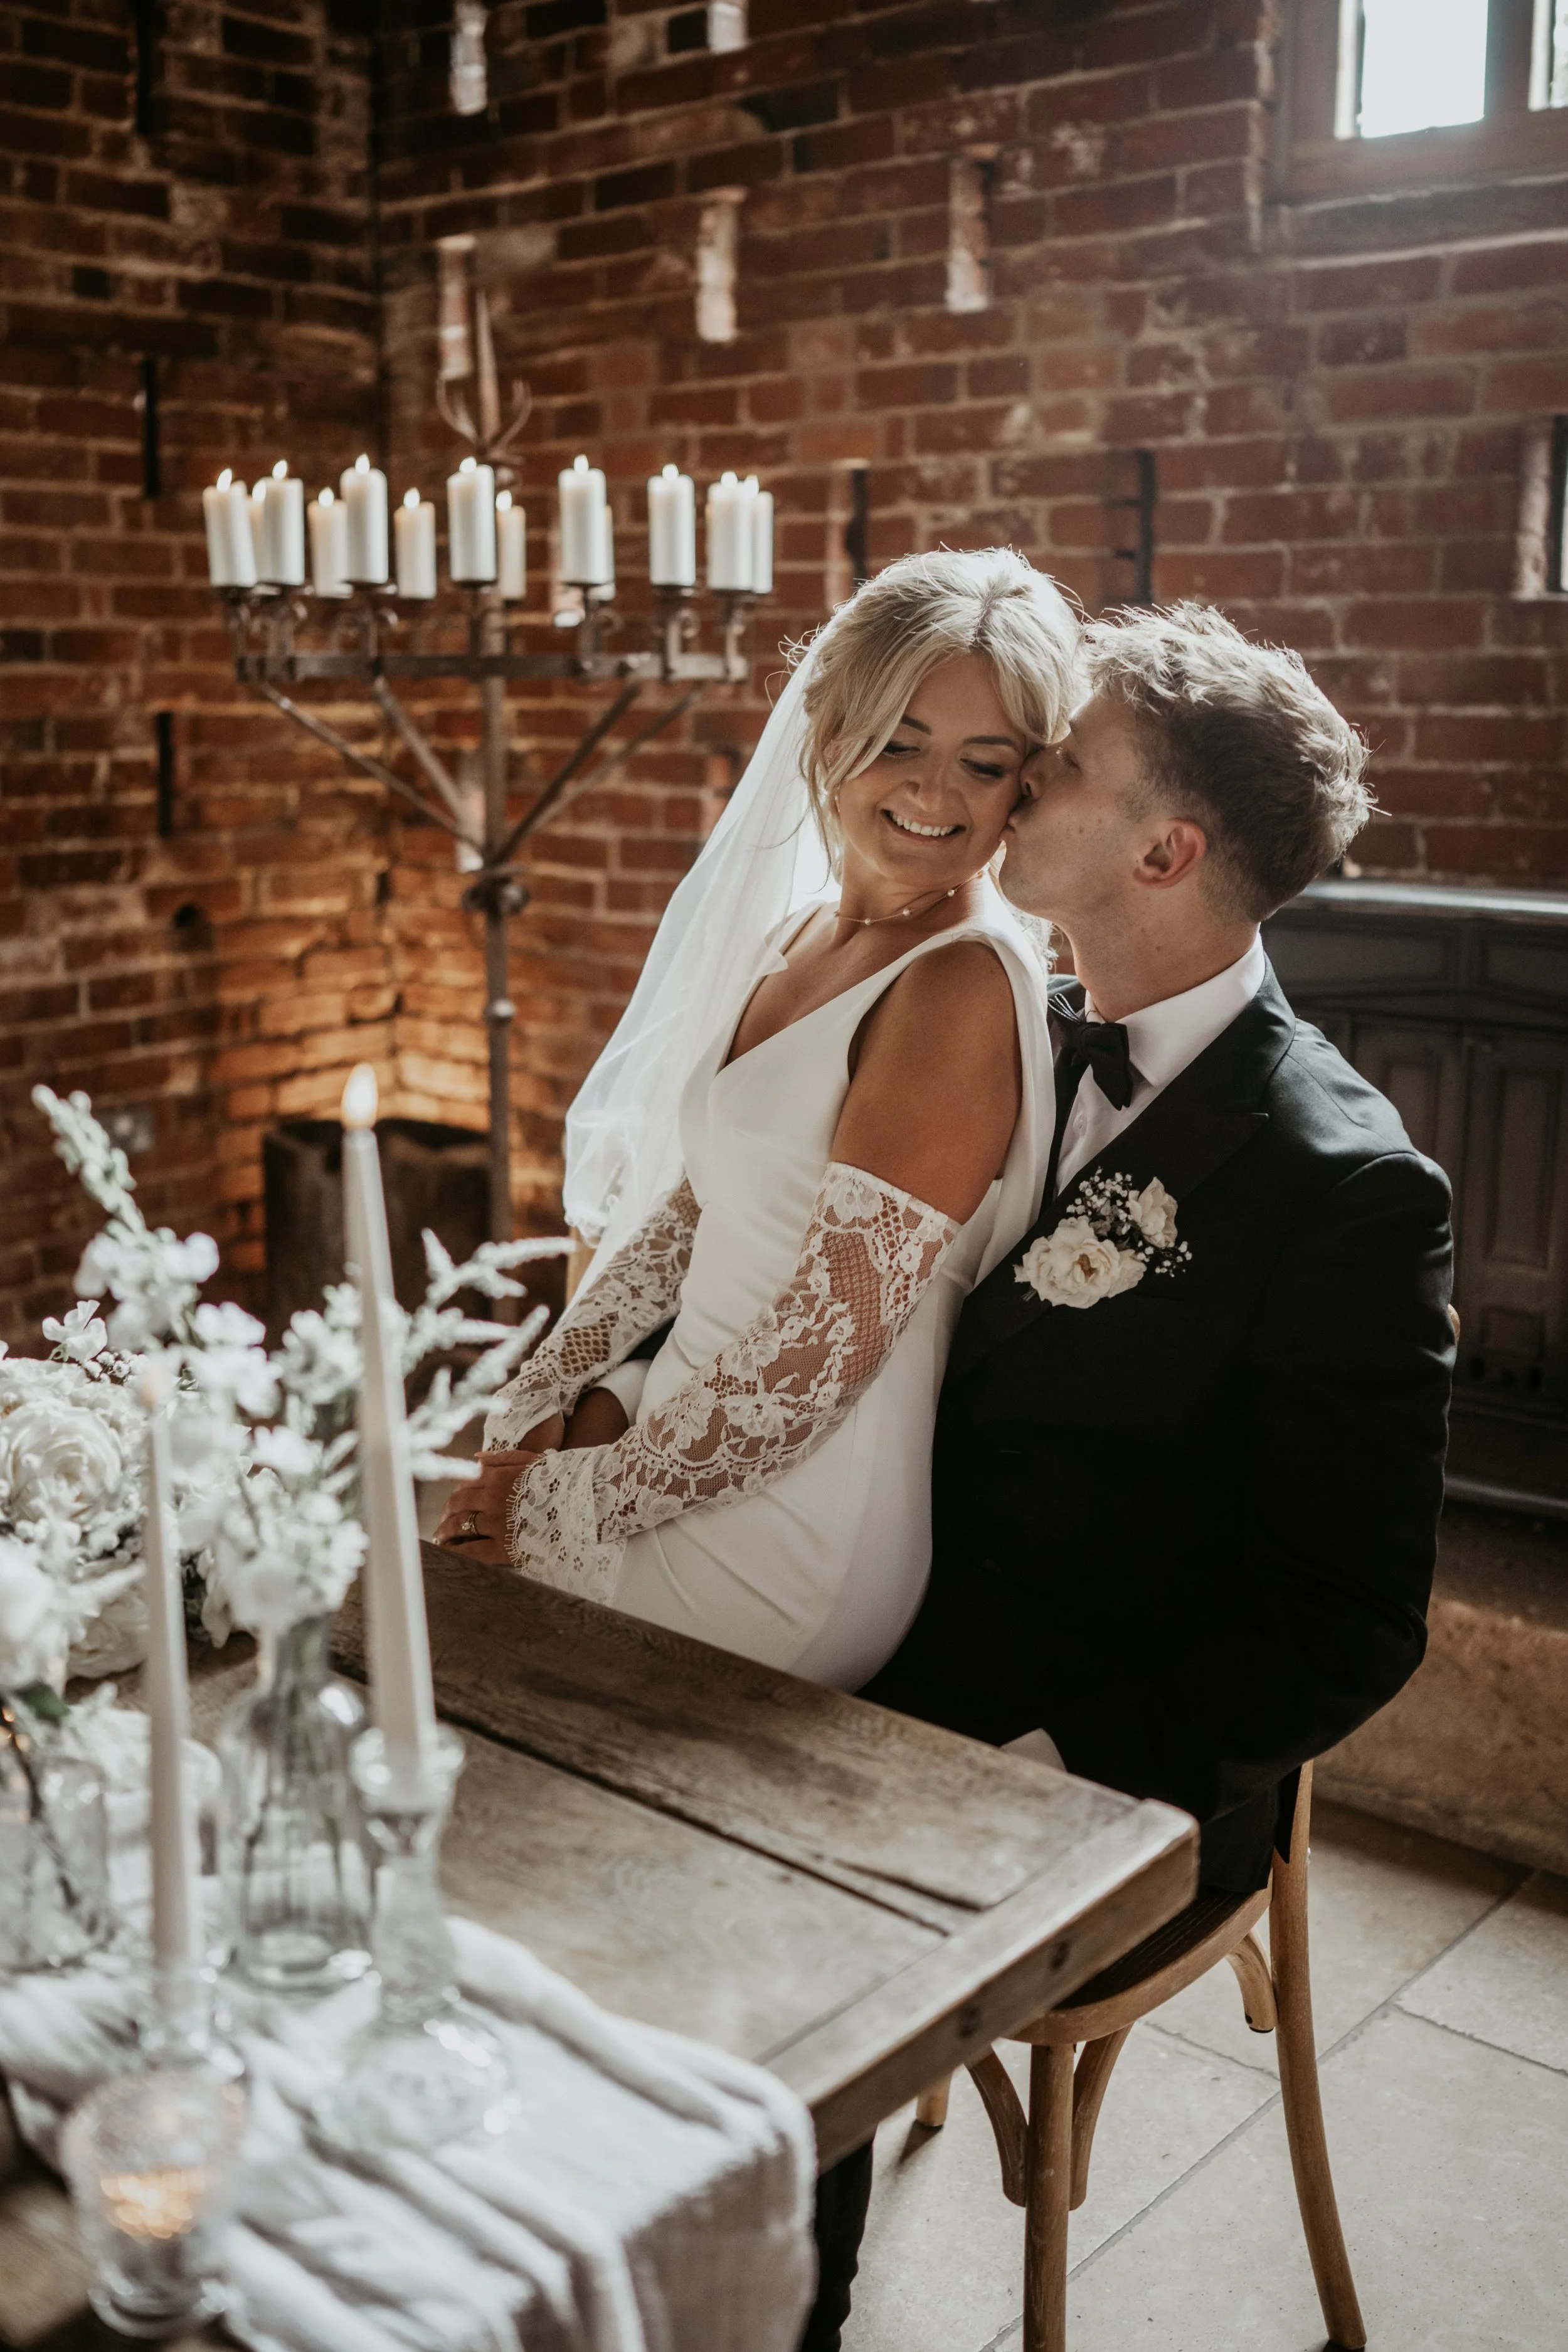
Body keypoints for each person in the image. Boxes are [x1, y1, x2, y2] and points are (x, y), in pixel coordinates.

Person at [867, 600, 1456, 1897]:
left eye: (1062, 761)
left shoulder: (1344, 1190)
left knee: (745, 1955)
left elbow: (1344, 1617)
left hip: (1076, 1745)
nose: (1018, 776)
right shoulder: (988, 1020)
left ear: (1162, 853)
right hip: (861, 1617)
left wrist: (1052, 1766)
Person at [437, 548, 1081, 1703]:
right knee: (430, 1613)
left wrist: (561, 1498)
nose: (935, 797)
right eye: (899, 742)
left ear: (1023, 785)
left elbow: (817, 1363)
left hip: (798, 1523)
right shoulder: (796, 940)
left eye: (984, 765)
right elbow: (693, 1217)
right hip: (681, 1433)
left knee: (453, 1654)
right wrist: (543, 1397)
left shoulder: (958, 987)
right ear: (829, 724)